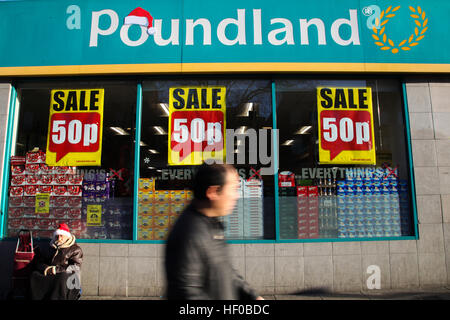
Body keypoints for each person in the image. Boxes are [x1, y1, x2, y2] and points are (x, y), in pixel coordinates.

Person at [165, 163, 264, 300]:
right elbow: (186, 293)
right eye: (233, 189)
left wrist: (252, 296)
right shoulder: (190, 233)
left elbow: (225, 271)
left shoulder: (212, 224)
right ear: (212, 192)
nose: (236, 196)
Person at [29, 223, 83, 300]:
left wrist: (55, 269)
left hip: (67, 275)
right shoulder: (50, 247)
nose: (59, 238)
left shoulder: (75, 249)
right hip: (49, 272)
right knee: (34, 275)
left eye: (61, 236)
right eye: (57, 236)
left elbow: (75, 267)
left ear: (67, 236)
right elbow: (40, 262)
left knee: (62, 277)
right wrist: (46, 268)